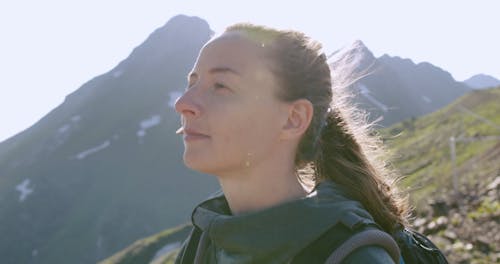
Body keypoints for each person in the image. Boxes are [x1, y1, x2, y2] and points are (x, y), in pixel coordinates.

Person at [173, 23, 410, 264]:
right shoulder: (201, 245)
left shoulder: (355, 257)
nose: (183, 103)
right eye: (192, 84)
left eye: (221, 86)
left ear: (293, 119)